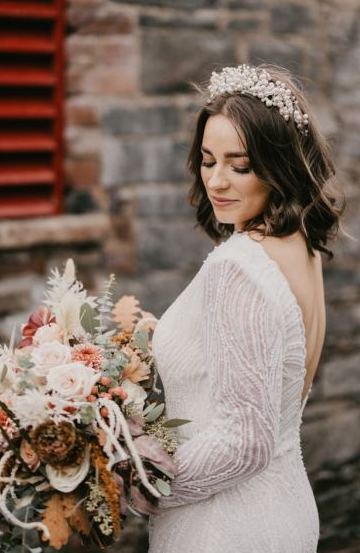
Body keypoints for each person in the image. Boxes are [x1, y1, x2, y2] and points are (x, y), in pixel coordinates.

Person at [147, 63, 346, 553]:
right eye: (207, 160)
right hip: (286, 508)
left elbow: (244, 443)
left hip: (224, 528)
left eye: (239, 166)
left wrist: (131, 484)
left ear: (278, 165)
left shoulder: (237, 267)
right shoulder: (304, 247)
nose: (216, 181)